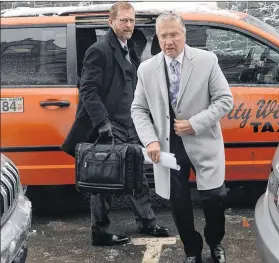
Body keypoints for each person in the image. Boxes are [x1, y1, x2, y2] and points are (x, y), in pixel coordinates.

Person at [61, 2, 169, 247]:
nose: (128, 25)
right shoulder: (99, 50)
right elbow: (88, 90)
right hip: (110, 124)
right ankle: (99, 232)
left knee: (138, 174)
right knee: (106, 179)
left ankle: (147, 223)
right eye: (123, 20)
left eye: (131, 20)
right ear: (111, 22)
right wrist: (102, 124)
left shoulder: (129, 47)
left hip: (129, 122)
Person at [131, 12, 233, 263]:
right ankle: (192, 251)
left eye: (174, 34)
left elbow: (225, 100)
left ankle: (214, 243)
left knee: (214, 199)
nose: (169, 41)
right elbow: (139, 109)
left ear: (184, 34)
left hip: (203, 141)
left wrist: (194, 124)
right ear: (158, 37)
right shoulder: (147, 69)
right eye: (163, 36)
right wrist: (150, 140)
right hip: (169, 147)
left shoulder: (206, 60)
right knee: (179, 204)